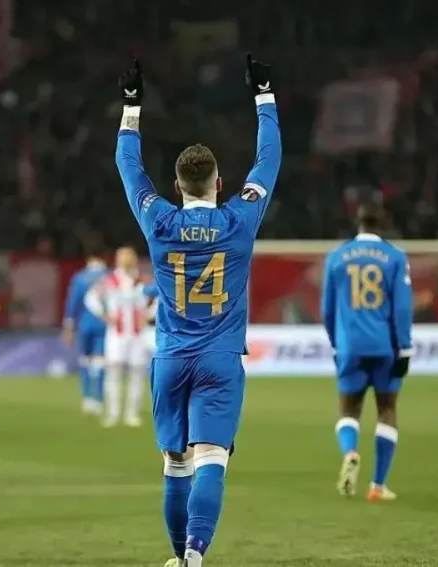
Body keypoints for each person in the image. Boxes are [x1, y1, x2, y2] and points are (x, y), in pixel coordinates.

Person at [115, 54, 281, 567]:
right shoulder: (239, 220)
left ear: (176, 186)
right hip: (219, 358)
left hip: (170, 357)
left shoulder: (158, 220)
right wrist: (264, 94)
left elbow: (128, 167)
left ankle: (177, 556)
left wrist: (131, 105)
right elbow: (269, 159)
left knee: (175, 462)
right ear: (220, 182)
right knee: (212, 457)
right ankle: (194, 553)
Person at [321, 203, 413, 501]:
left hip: (350, 347)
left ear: (357, 223)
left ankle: (350, 452)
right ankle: (377, 485)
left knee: (348, 411)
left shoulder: (336, 257)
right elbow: (402, 307)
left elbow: (327, 310)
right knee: (387, 410)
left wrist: (336, 343)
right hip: (385, 346)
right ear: (383, 224)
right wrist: (405, 347)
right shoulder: (395, 256)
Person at [84, 246, 148, 427]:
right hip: (116, 334)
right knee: (113, 372)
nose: (126, 261)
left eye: (129, 257)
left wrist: (149, 315)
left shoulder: (141, 280)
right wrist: (104, 315)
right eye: (123, 257)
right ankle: (113, 412)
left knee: (137, 372)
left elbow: (159, 298)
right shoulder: (110, 280)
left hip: (137, 333)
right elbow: (90, 298)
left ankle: (132, 413)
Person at [62, 245, 108, 415]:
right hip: (103, 323)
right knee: (100, 361)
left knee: (85, 360)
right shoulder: (108, 277)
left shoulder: (80, 277)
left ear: (88, 259)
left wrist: (68, 327)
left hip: (84, 324)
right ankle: (99, 398)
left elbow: (72, 303)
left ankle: (87, 397)